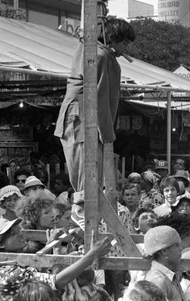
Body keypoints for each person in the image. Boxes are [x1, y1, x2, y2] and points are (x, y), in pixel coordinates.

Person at [55, 18, 136, 193]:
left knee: (87, 180)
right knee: (87, 182)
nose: (125, 48)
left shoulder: (93, 50)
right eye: (124, 43)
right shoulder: (100, 56)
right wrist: (107, 135)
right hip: (82, 120)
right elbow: (99, 98)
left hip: (80, 119)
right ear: (113, 38)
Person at [142, 225, 184, 301]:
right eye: (176, 245)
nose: (181, 249)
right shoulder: (158, 281)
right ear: (164, 251)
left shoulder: (170, 277)